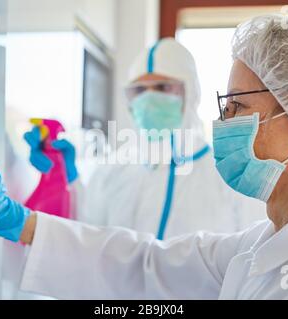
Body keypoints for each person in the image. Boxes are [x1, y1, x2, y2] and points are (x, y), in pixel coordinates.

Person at [0, 15, 288, 299]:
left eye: (235, 106)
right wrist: (19, 221)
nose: (223, 123)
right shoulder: (261, 244)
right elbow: (146, 265)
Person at [24, 38, 266, 239]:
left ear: (191, 92)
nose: (148, 100)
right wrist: (66, 180)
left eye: (163, 88)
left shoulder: (229, 176)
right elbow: (85, 237)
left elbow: (249, 259)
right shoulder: (113, 171)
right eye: (139, 91)